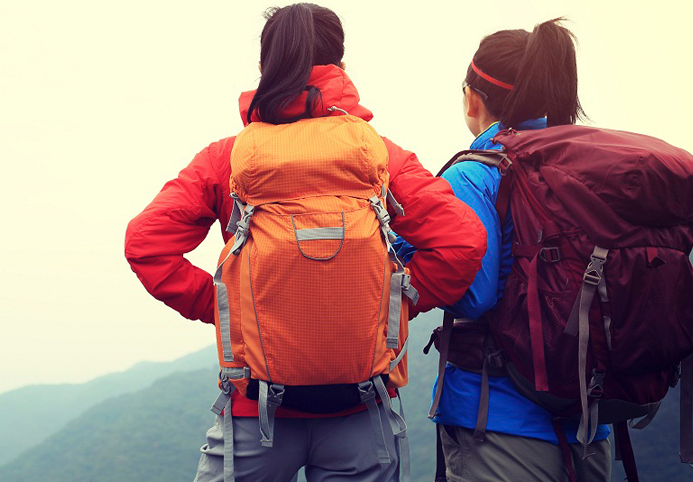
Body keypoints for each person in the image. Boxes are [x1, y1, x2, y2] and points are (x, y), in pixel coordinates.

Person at [124, 3, 487, 482]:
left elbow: (146, 244)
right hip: (363, 413)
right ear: (339, 66)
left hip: (255, 415)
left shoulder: (228, 159)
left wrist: (228, 308)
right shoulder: (378, 156)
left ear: (264, 68)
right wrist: (392, 302)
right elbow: (462, 242)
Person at [397, 19, 612, 482]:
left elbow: (475, 295)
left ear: (474, 97)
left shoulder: (473, 175)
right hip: (592, 425)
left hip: (498, 423)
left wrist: (409, 259)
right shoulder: (588, 165)